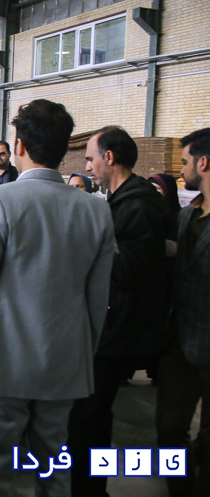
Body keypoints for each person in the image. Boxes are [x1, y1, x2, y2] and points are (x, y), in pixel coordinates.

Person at [0, 100, 115, 497]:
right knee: (54, 463)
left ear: (18, 146)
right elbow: (97, 300)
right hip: (66, 362)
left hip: (6, 364)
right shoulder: (96, 212)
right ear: (64, 149)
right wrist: (82, 357)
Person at [68, 126, 171, 496]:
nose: (88, 167)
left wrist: (86, 243)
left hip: (118, 331)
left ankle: (90, 490)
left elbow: (131, 271)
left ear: (109, 158)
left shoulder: (138, 204)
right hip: (109, 324)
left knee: (89, 417)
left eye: (91, 159)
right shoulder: (121, 200)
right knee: (89, 417)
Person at [156, 128, 210, 497]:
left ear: (203, 163)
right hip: (179, 342)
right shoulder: (187, 214)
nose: (181, 169)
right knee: (169, 428)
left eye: (185, 161)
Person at [148, 173, 181, 239]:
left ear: (168, 190)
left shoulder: (182, 217)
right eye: (148, 187)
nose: (151, 191)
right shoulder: (145, 212)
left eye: (156, 188)